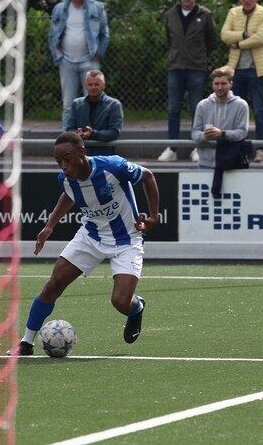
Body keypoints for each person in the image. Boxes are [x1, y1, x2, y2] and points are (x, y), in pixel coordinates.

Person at [11, 132, 160, 356]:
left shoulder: (114, 167)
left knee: (120, 301)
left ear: (82, 152)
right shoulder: (65, 178)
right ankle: (26, 343)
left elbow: (148, 176)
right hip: (91, 236)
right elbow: (69, 195)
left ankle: (136, 308)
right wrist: (50, 225)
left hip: (127, 239)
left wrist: (154, 216)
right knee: (53, 285)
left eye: (67, 159)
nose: (62, 165)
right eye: (58, 161)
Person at [158, 0, 217, 163]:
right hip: (175, 67)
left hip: (197, 68)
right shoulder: (170, 14)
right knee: (173, 109)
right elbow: (169, 39)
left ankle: (197, 147)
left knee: (197, 109)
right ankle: (172, 148)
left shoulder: (205, 14)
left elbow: (211, 41)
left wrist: (197, 56)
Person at [220, 0, 263, 163]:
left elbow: (262, 37)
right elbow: (224, 35)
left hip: (257, 70)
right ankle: (238, 148)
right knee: (236, 110)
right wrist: (244, 35)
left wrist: (239, 44)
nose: (247, 0)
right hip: (236, 70)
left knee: (259, 110)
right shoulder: (233, 12)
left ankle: (261, 148)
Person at [48, 0, 110, 129]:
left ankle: (91, 136)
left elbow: (105, 35)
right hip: (67, 62)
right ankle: (67, 139)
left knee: (92, 100)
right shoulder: (59, 9)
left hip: (90, 61)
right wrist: (58, 57)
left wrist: (98, 55)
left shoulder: (97, 7)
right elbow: (52, 35)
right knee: (68, 103)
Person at [191, 66, 249, 168]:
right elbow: (195, 133)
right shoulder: (202, 105)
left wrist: (223, 134)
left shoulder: (241, 105)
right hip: (206, 163)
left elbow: (242, 132)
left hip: (231, 162)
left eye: (223, 84)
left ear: (231, 84)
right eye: (216, 84)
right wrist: (204, 136)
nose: (220, 87)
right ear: (212, 85)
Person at [64, 70, 123, 156]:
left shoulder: (114, 105)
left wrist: (93, 134)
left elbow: (114, 132)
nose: (93, 87)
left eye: (97, 84)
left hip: (105, 155)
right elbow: (69, 129)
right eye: (90, 84)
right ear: (85, 86)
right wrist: (78, 134)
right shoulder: (76, 104)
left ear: (104, 85)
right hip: (81, 155)